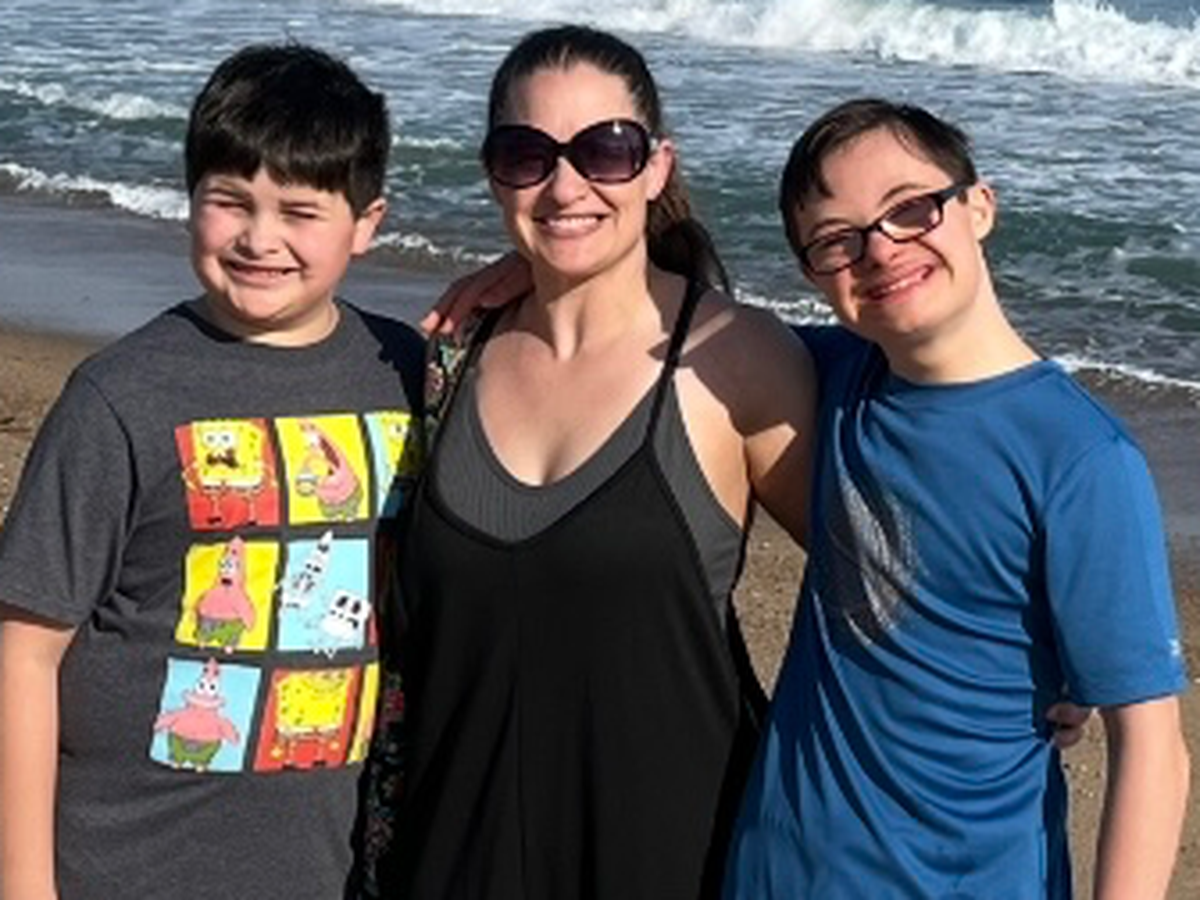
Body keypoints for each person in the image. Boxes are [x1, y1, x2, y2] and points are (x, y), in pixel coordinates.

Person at [375, 24, 817, 900]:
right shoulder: (446, 357)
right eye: (527, 154)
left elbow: (875, 572)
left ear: (656, 167)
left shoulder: (737, 359)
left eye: (605, 150)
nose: (566, 184)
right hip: (450, 860)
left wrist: (1043, 668)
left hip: (677, 861)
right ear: (494, 173)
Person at [722, 99, 1190, 899]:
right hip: (775, 874)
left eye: (910, 208)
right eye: (837, 239)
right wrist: (538, 275)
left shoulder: (1080, 459)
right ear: (812, 274)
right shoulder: (831, 376)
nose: (881, 249)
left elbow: (1152, 747)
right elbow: (661, 321)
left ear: (978, 207)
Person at [0, 44, 424, 900]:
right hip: (126, 866)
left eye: (299, 212)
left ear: (368, 222)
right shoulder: (121, 395)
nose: (260, 239)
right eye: (230, 201)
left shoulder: (408, 372)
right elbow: (24, 651)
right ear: (188, 199)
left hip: (329, 867)